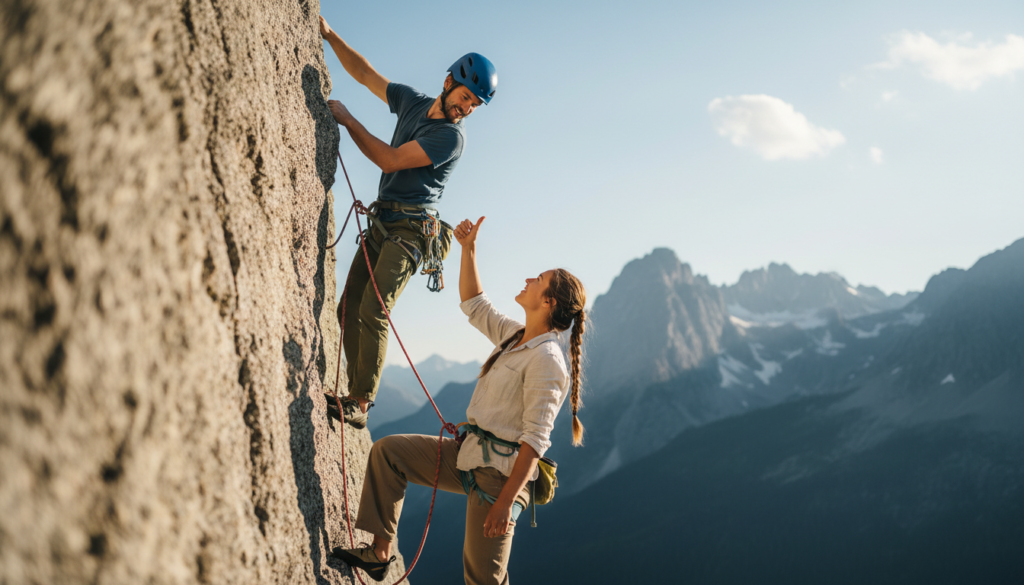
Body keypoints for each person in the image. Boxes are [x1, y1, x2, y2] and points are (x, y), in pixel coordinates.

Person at [329, 217, 588, 584]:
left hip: (501, 480)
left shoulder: (547, 361)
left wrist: (504, 503)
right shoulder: (517, 337)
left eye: (539, 280)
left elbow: (535, 440)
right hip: (470, 456)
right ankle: (379, 554)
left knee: (483, 580)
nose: (529, 279)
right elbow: (475, 305)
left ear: (548, 302)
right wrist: (468, 250)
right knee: (390, 454)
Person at [319, 15, 498, 428]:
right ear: (450, 79)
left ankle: (361, 403)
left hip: (412, 233)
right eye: (466, 96)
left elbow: (391, 160)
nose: (466, 108)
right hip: (385, 221)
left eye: (474, 105)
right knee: (349, 308)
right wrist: (329, 35)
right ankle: (352, 391)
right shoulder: (414, 102)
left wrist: (348, 120)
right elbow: (366, 74)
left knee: (374, 309)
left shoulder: (452, 138)